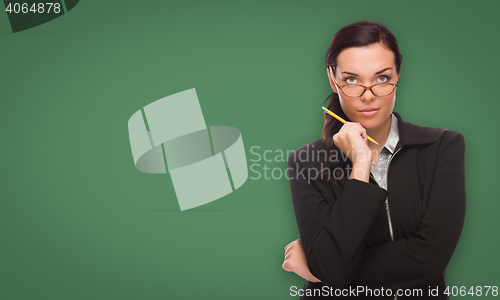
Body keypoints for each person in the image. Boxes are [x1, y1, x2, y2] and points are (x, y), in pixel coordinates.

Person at [282, 20, 466, 299]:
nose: (368, 96)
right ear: (333, 79)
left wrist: (318, 268)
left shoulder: (442, 147)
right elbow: (331, 266)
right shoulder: (305, 162)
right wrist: (360, 166)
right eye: (352, 80)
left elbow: (429, 260)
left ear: (398, 74)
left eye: (381, 78)